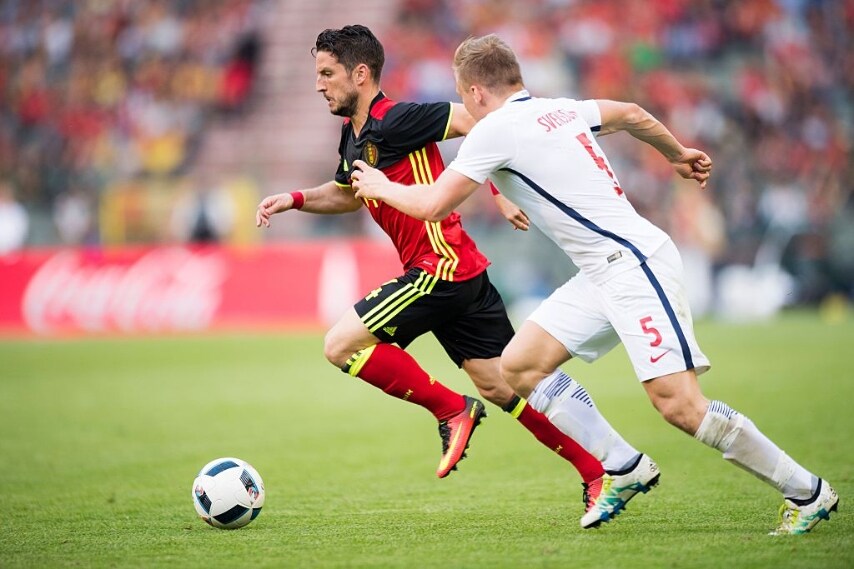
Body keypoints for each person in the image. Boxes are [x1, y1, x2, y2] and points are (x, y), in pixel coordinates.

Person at [350, 33, 839, 535]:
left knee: (679, 404)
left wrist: (381, 186)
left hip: (634, 266)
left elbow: (433, 204)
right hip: (601, 272)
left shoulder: (495, 130)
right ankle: (623, 466)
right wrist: (676, 153)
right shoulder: (560, 109)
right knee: (519, 365)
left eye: (461, 93)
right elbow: (631, 113)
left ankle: (806, 491)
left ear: (474, 91)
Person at [256, 25, 658, 528]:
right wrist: (294, 199)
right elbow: (346, 193)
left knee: (340, 345)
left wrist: (501, 190)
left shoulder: (397, 118)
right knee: (504, 384)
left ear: (360, 74)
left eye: (326, 73)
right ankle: (602, 469)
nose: (319, 84)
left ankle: (450, 409)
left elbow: (482, 122)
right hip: (460, 268)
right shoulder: (354, 136)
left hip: (438, 267)